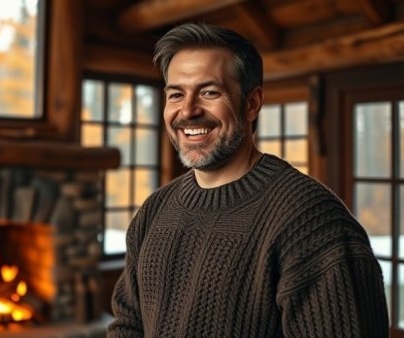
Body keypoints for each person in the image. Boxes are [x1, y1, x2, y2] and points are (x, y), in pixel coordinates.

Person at [107, 22, 388, 337]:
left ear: (252, 103)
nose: (187, 110)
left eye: (209, 92)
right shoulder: (155, 210)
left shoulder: (313, 222)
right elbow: (128, 325)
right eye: (176, 95)